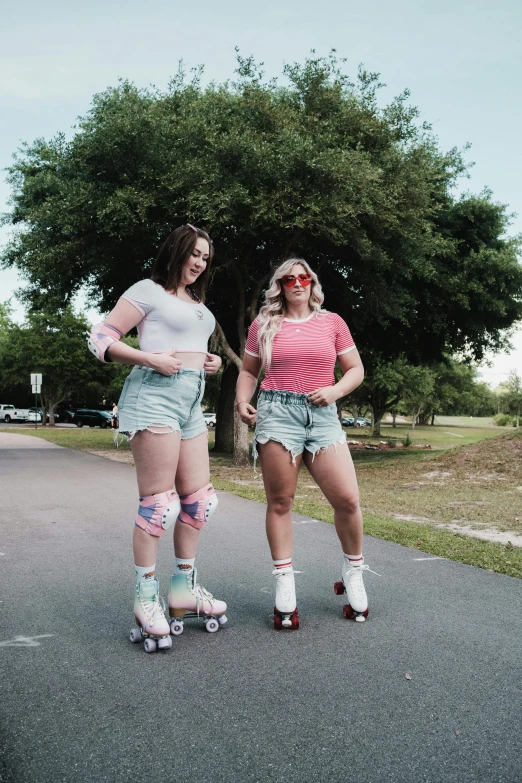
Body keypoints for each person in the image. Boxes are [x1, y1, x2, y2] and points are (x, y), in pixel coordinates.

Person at [88, 224, 227, 652]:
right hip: (154, 396)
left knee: (199, 501)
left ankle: (183, 590)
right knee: (158, 506)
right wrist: (148, 357)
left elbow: (190, 343)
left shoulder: (200, 304)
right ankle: (145, 597)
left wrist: (213, 361)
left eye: (206, 256)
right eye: (194, 253)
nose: (200, 262)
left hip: (191, 399)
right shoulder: (147, 290)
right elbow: (100, 337)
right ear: (177, 251)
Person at [236, 258, 375, 628]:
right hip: (277, 413)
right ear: (279, 285)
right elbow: (249, 371)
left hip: (323, 416)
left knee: (347, 499)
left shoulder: (333, 323)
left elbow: (356, 369)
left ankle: (353, 573)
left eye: (304, 277)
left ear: (312, 283)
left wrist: (335, 391)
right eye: (289, 278)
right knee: (281, 502)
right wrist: (241, 401)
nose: (297, 283)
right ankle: (284, 583)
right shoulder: (263, 324)